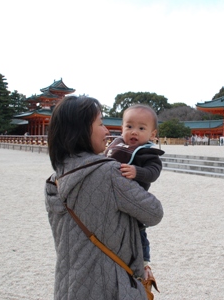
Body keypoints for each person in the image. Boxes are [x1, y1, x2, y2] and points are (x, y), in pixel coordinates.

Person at [45, 96, 163, 299]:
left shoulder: (54, 180)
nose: (107, 130)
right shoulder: (108, 172)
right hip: (111, 287)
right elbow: (154, 212)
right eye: (100, 123)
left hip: (69, 285)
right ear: (80, 130)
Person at [104, 104, 164, 272]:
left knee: (138, 230)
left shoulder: (148, 154)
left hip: (134, 199)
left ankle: (144, 261)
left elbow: (153, 173)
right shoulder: (117, 147)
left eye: (141, 128)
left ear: (152, 134)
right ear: (121, 128)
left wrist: (137, 171)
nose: (134, 132)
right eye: (129, 127)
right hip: (112, 199)